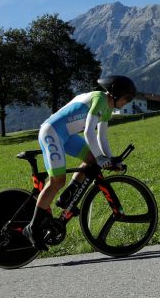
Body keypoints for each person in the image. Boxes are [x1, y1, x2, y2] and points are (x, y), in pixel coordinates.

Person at [23, 75, 136, 250]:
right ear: (115, 94)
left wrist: (110, 159)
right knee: (57, 180)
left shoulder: (107, 107)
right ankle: (32, 228)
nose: (127, 102)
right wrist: (101, 158)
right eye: (126, 98)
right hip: (51, 132)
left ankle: (67, 197)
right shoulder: (99, 100)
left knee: (92, 161)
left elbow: (101, 137)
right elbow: (89, 133)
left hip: (67, 134)